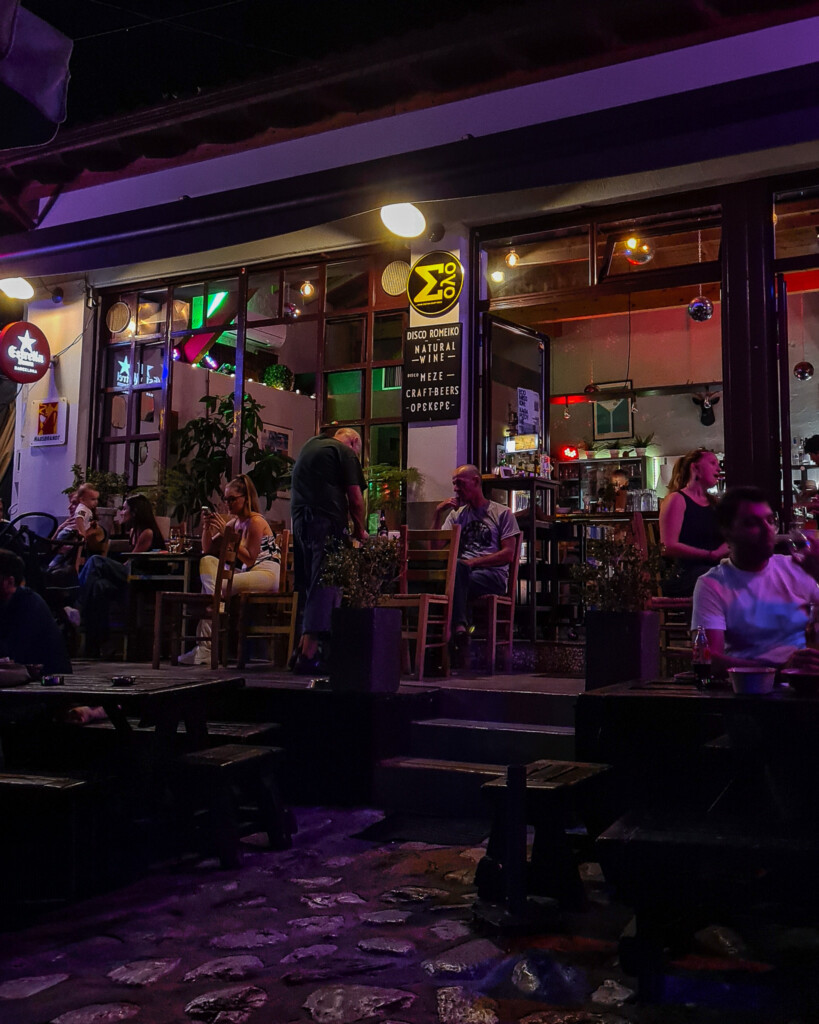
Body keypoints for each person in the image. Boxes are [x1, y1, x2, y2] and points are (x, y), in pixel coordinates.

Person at [692, 485, 819, 673]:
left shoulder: (795, 568)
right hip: (747, 690)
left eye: (769, 520)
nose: (767, 529)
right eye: (752, 523)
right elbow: (709, 658)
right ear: (727, 531)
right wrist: (779, 669)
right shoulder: (712, 584)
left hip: (803, 682)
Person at [179, 474, 281, 665]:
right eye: (226, 499)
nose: (228, 504)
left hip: (265, 573)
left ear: (246, 498)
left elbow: (250, 558)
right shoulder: (232, 524)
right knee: (208, 562)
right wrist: (207, 528)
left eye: (232, 499)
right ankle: (215, 609)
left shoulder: (256, 521)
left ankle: (206, 646)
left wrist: (229, 537)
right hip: (248, 573)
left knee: (214, 589)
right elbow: (207, 550)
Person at [290, 428, 367, 674]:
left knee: (312, 585)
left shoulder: (310, 445)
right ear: (354, 442)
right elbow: (355, 499)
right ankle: (310, 654)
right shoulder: (345, 452)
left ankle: (301, 648)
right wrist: (361, 531)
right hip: (326, 522)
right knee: (326, 584)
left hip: (301, 522)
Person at [432, 464, 520, 665]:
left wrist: (472, 562)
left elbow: (508, 554)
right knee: (447, 579)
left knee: (454, 577)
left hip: (492, 576)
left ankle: (452, 638)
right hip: (463, 575)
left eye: (460, 484)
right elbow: (436, 545)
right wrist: (437, 513)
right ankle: (459, 633)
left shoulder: (502, 513)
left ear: (476, 482)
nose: (455, 489)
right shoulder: (457, 515)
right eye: (454, 484)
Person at [78, 493, 165, 657]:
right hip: (130, 574)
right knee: (98, 586)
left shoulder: (147, 532)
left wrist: (112, 568)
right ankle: (99, 644)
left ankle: (78, 599)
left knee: (96, 561)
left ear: (135, 512)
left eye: (124, 509)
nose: (121, 512)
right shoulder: (133, 531)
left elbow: (132, 562)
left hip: (142, 578)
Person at [658, 449, 728, 597]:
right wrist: (710, 555)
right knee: (724, 579)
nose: (719, 468)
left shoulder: (715, 503)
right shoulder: (677, 499)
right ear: (695, 468)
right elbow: (667, 546)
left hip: (712, 570)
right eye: (712, 463)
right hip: (683, 574)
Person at [0, 548, 72, 674]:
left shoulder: (29, 605)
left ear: (9, 582)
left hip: (46, 685)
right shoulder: (8, 603)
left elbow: (17, 660)